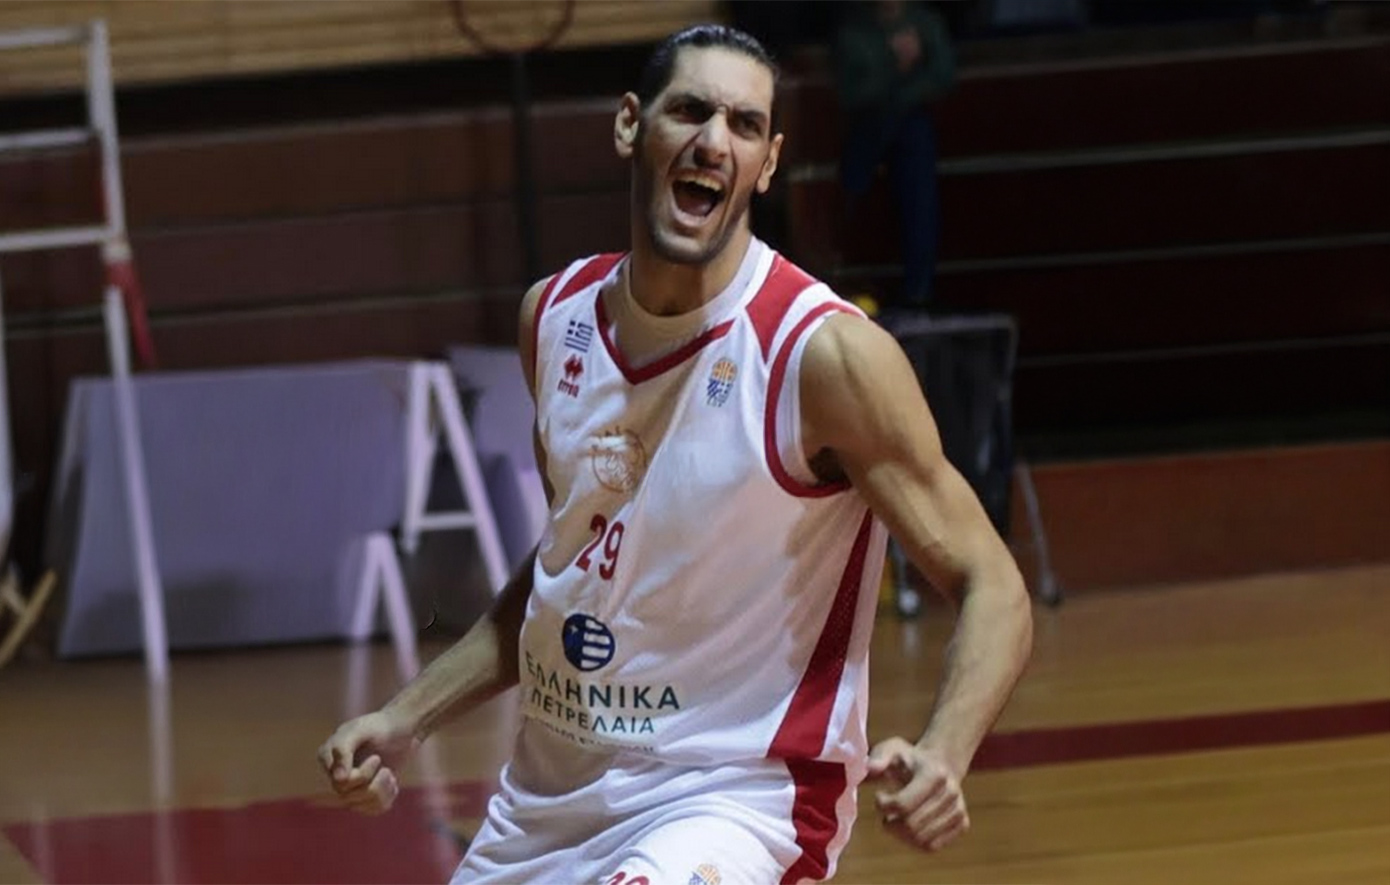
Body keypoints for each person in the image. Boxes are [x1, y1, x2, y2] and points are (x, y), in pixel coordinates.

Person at [318, 23, 1031, 884]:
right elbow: (569, 567)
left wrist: (945, 750)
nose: (713, 141)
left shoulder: (823, 355)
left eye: (743, 124)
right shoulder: (555, 317)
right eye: (691, 111)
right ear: (631, 125)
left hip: (734, 800)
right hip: (546, 801)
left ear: (767, 164)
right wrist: (411, 713)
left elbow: (993, 582)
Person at [835, 1, 956, 314]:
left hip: (911, 128)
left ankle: (918, 290)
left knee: (915, 149)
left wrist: (898, 90)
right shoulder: (854, 31)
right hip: (867, 130)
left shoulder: (925, 23)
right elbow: (852, 93)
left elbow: (943, 76)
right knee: (857, 189)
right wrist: (899, 66)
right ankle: (851, 282)